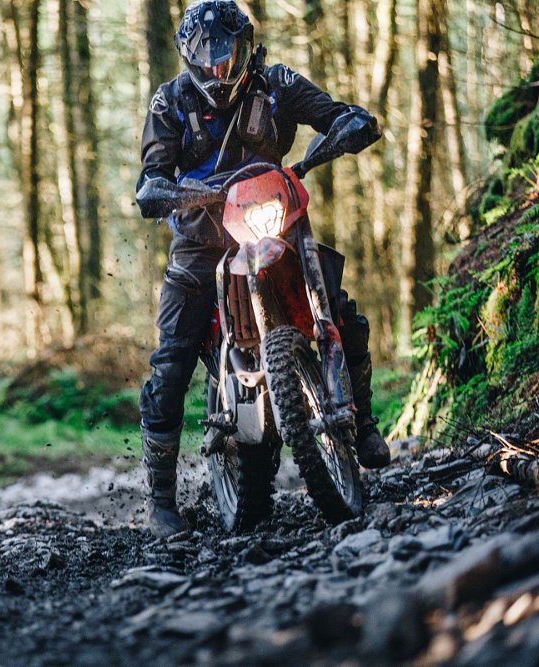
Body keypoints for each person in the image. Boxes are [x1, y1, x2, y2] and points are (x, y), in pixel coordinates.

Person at [135, 0, 390, 537]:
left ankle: (362, 424)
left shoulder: (276, 83)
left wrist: (351, 126)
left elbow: (339, 114)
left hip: (279, 220)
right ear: (189, 59)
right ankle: (160, 501)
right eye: (206, 60)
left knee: (345, 314)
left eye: (228, 56)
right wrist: (173, 194)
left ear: (247, 47)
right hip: (202, 240)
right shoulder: (170, 101)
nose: (219, 69)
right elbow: (151, 181)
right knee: (172, 361)